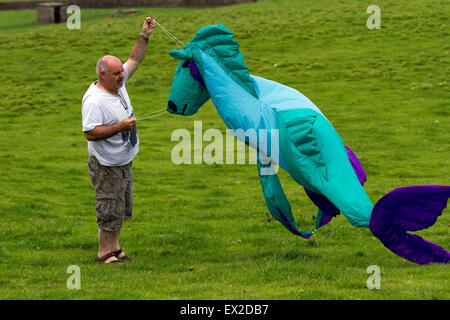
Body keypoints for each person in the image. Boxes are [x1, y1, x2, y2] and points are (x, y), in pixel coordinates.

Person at [81, 17, 156, 264]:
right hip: (106, 163)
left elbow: (135, 59)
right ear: (102, 75)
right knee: (108, 205)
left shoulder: (119, 83)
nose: (121, 76)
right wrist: (120, 127)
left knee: (121, 206)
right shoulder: (94, 100)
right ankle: (104, 253)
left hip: (124, 160)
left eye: (121, 72)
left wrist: (144, 35)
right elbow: (90, 133)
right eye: (116, 74)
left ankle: (115, 248)